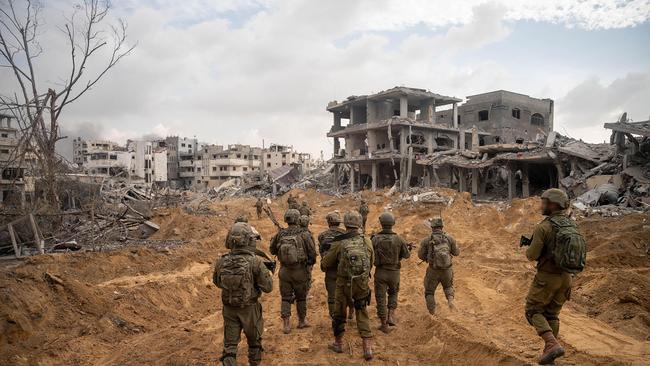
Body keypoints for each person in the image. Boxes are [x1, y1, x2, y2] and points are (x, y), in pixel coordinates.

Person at [524, 188, 586, 365]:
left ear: (553, 205)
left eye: (544, 202)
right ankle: (549, 355)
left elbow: (532, 255)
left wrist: (532, 246)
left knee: (533, 311)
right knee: (552, 315)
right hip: (567, 278)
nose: (542, 206)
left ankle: (551, 344)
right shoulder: (572, 225)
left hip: (547, 278)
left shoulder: (544, 226)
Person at [213, 222, 273, 366]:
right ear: (248, 240)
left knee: (230, 347)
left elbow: (217, 282)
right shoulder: (255, 262)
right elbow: (268, 287)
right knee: (254, 343)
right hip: (249, 309)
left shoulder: (221, 261)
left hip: (229, 309)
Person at [321, 211, 375, 360]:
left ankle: (338, 344)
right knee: (362, 312)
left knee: (339, 314)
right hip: (361, 283)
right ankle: (367, 347)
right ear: (359, 224)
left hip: (343, 284)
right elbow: (371, 262)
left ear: (345, 224)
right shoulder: (367, 240)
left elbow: (326, 263)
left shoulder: (339, 241)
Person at [270, 209, 317, 333]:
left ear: (286, 219)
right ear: (298, 219)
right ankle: (302, 321)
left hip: (284, 271)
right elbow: (312, 253)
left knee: (285, 297)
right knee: (301, 297)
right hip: (300, 270)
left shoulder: (280, 234)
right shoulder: (304, 234)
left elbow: (272, 250)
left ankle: (286, 325)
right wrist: (309, 264)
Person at [371, 211, 411, 333]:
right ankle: (391, 315)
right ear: (393, 223)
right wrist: (407, 248)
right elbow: (407, 255)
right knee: (393, 293)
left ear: (381, 223)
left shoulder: (375, 239)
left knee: (380, 297)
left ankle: (383, 324)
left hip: (380, 272)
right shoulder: (399, 239)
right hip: (394, 273)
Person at [418, 217, 459, 314]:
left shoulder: (426, 240)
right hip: (447, 270)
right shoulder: (449, 238)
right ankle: (450, 301)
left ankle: (432, 313)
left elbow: (420, 255)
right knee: (448, 287)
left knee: (429, 292)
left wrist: (427, 257)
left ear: (432, 227)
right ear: (442, 227)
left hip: (433, 270)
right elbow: (456, 253)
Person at [317, 212, 350, 319]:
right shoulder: (346, 234)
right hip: (344, 269)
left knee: (332, 295)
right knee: (345, 293)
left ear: (329, 222)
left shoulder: (322, 235)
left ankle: (334, 317)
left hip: (330, 269)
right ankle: (347, 312)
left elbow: (321, 252)